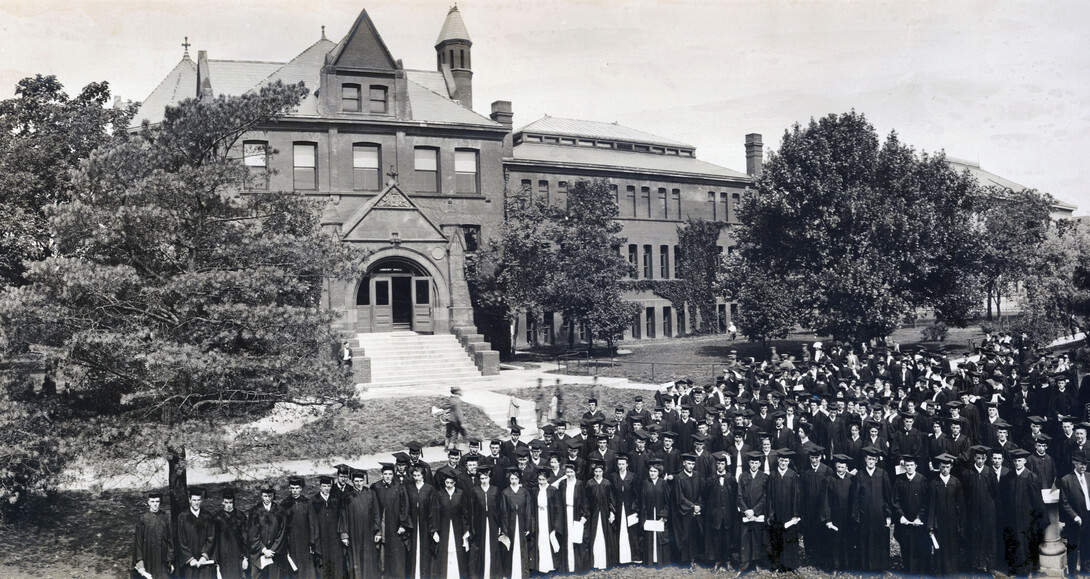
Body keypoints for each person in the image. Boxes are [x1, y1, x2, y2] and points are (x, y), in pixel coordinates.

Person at [338, 469, 381, 579]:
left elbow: (376, 512)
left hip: (368, 532)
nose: (359, 483)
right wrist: (344, 534)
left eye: (361, 480)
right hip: (353, 533)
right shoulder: (347, 495)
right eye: (356, 481)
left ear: (364, 481)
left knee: (368, 559)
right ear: (352, 481)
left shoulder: (371, 493)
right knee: (354, 558)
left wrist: (378, 532)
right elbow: (343, 515)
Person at [963, 445, 1000, 573]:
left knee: (989, 537)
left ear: (985, 459)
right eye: (978, 458)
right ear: (974, 458)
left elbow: (995, 493)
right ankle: (974, 564)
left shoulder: (990, 473)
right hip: (972, 510)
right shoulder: (968, 473)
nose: (980, 461)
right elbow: (965, 493)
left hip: (987, 510)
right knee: (973, 536)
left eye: (982, 458)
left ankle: (990, 565)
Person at [856, 446, 892, 572]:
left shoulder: (882, 474)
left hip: (878, 514)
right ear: (865, 459)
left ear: (876, 460)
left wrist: (888, 515)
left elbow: (887, 496)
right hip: (864, 514)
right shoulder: (860, 474)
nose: (871, 461)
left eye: (873, 459)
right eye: (869, 459)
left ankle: (879, 566)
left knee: (879, 539)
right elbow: (856, 497)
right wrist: (857, 515)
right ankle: (865, 566)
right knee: (864, 539)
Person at [892, 454, 929, 575]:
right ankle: (908, 569)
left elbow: (926, 502)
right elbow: (895, 500)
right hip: (905, 520)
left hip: (918, 521)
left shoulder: (922, 480)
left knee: (919, 544)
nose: (909, 467)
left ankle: (920, 570)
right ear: (904, 467)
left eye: (911, 465)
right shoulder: (899, 480)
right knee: (906, 544)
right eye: (907, 465)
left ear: (916, 466)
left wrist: (919, 517)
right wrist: (901, 516)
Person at [927, 453, 962, 576]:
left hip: (952, 521)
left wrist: (960, 522)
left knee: (953, 545)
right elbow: (931, 505)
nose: (945, 469)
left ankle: (952, 571)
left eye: (947, 467)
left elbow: (960, 505)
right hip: (939, 520)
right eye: (942, 467)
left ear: (951, 467)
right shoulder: (934, 483)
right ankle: (939, 571)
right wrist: (931, 523)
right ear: (939, 467)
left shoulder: (956, 482)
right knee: (939, 546)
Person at [766, 449, 802, 572]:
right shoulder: (772, 475)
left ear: (789, 461)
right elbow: (769, 496)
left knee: (790, 538)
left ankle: (790, 565)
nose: (783, 463)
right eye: (781, 460)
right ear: (778, 460)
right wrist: (770, 514)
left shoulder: (793, 475)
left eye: (786, 461)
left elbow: (796, 497)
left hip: (789, 512)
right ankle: (776, 564)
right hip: (776, 512)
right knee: (775, 538)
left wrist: (795, 514)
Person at [432, 466, 471, 579]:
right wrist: (435, 530)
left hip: (457, 528)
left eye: (451, 483)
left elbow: (465, 513)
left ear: (454, 482)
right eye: (446, 482)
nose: (448, 485)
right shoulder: (439, 494)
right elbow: (435, 513)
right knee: (444, 551)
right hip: (444, 528)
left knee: (458, 551)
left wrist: (466, 530)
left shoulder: (461, 494)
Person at [373, 462, 410, 578]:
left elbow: (405, 506)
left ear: (393, 475)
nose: (388, 476)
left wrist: (403, 524)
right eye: (385, 474)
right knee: (382, 554)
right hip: (382, 524)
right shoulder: (376, 487)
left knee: (396, 553)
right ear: (381, 475)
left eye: (390, 474)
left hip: (396, 525)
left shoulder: (399, 486)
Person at [821, 454, 857, 571]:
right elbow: (825, 500)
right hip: (835, 516)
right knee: (835, 541)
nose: (840, 469)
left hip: (848, 516)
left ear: (846, 467)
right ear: (835, 467)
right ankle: (835, 566)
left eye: (843, 467)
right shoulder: (829, 480)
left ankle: (847, 565)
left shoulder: (851, 479)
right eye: (838, 467)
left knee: (848, 540)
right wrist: (828, 519)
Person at [498, 468, 534, 579]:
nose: (514, 481)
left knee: (523, 547)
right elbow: (503, 511)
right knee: (511, 547)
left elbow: (528, 509)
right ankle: (510, 574)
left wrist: (528, 525)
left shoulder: (524, 492)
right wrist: (505, 529)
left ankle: (523, 573)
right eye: (512, 478)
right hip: (511, 524)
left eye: (516, 478)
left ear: (519, 479)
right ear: (509, 479)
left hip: (522, 523)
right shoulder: (505, 493)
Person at [468, 466, 503, 579]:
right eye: (482, 478)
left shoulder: (495, 490)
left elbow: (499, 509)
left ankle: (494, 574)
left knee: (493, 547)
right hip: (480, 523)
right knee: (481, 547)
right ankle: (481, 574)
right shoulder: (475, 490)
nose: (484, 480)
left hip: (493, 522)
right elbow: (472, 509)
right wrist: (472, 526)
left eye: (486, 478)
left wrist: (500, 525)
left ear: (489, 478)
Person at [737, 450, 769, 573]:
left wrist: (754, 511)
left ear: (760, 464)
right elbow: (739, 495)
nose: (754, 465)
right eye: (752, 463)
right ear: (748, 463)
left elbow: (765, 497)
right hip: (745, 514)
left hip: (757, 514)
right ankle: (744, 564)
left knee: (757, 538)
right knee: (745, 538)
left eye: (756, 463)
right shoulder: (743, 476)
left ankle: (757, 563)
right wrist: (746, 510)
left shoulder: (764, 477)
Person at [704, 452, 736, 571]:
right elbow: (706, 496)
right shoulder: (711, 479)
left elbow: (735, 495)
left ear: (725, 465)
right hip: (715, 514)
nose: (720, 466)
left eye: (722, 463)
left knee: (727, 538)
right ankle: (717, 560)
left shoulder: (731, 479)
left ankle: (727, 560)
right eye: (718, 464)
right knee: (716, 538)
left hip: (728, 514)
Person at [584, 460, 618, 569]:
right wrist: (586, 514)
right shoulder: (590, 484)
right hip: (593, 515)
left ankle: (604, 562)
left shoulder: (607, 483)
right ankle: (594, 563)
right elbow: (586, 501)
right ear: (593, 472)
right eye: (596, 471)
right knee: (593, 536)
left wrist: (612, 513)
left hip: (604, 514)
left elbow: (612, 499)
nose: (598, 473)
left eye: (600, 471)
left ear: (603, 472)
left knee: (605, 536)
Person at [1060, 450, 1090, 575]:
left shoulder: (1089, 476)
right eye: (1080, 463)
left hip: (1088, 516)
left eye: (1085, 464)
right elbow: (1064, 502)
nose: (1083, 466)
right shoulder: (1066, 480)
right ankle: (1072, 573)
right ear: (1074, 463)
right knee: (1073, 545)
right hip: (1075, 518)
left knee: (1087, 543)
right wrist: (1075, 516)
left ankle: (1085, 569)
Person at [132, 491, 174, 579]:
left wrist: (170, 561)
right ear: (148, 503)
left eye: (157, 501)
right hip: (148, 559)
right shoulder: (143, 519)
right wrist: (140, 563)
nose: (155, 504)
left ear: (160, 502)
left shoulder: (166, 518)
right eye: (152, 502)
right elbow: (138, 542)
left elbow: (171, 541)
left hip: (162, 561)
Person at [404, 464, 436, 579]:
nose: (416, 477)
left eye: (418, 475)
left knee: (425, 550)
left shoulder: (429, 489)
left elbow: (433, 509)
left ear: (423, 475)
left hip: (425, 524)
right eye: (414, 475)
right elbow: (405, 507)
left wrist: (433, 528)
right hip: (412, 524)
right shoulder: (409, 488)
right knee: (412, 550)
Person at [176, 488, 217, 579]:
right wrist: (190, 558)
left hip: (205, 562)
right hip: (190, 563)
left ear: (201, 500)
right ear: (190, 500)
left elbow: (211, 537)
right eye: (194, 500)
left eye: (198, 500)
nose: (196, 502)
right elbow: (181, 540)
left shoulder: (207, 516)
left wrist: (204, 556)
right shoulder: (182, 517)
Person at [281, 477, 317, 579]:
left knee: (307, 567)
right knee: (293, 567)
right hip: (291, 541)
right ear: (289, 489)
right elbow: (282, 527)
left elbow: (312, 523)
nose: (295, 491)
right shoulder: (284, 504)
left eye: (297, 488)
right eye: (292, 488)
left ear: (301, 488)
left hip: (305, 540)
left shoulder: (307, 502)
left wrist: (312, 542)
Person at [248, 487, 287, 579]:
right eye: (265, 496)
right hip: (259, 552)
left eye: (270, 496)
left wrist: (272, 550)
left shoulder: (279, 511)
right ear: (261, 496)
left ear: (273, 496)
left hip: (275, 553)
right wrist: (264, 550)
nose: (267, 499)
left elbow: (282, 532)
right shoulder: (255, 511)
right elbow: (253, 534)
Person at [556, 462, 587, 572]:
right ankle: (566, 566)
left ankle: (577, 566)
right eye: (567, 472)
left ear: (575, 472)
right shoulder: (563, 484)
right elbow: (559, 500)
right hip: (565, 513)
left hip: (576, 514)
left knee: (576, 539)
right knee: (566, 538)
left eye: (571, 472)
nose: (569, 474)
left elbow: (584, 500)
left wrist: (584, 515)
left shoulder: (579, 484)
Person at [609, 453, 641, 564]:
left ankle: (634, 557)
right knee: (619, 530)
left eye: (623, 464)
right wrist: (612, 509)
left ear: (627, 465)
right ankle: (619, 558)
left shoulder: (632, 476)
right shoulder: (613, 476)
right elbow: (611, 494)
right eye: (619, 464)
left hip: (629, 508)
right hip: (618, 507)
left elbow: (636, 494)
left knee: (632, 531)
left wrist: (635, 508)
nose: (621, 466)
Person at [310, 475, 343, 579]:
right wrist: (313, 540)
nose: (326, 488)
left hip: (334, 537)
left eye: (328, 486)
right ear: (320, 486)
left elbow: (340, 518)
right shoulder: (314, 500)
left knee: (335, 561)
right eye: (324, 486)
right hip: (320, 537)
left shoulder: (335, 499)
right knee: (322, 562)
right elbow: (312, 521)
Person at [640, 459, 671, 568]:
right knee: (649, 537)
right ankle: (650, 560)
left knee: (660, 537)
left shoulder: (663, 483)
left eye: (654, 471)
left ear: (659, 472)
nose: (652, 473)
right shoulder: (645, 483)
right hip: (648, 515)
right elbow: (642, 502)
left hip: (659, 515)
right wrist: (643, 518)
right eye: (651, 471)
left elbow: (667, 501)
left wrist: (664, 516)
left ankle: (660, 560)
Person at [531, 469, 561, 575]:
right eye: (539, 479)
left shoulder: (552, 490)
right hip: (539, 517)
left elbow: (558, 508)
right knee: (540, 541)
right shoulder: (534, 490)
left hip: (549, 519)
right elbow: (531, 507)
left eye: (543, 479)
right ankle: (539, 566)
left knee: (548, 540)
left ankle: (550, 566)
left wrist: (555, 524)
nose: (541, 482)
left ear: (548, 479)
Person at [213, 489, 248, 579]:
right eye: (226, 502)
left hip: (237, 555)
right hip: (223, 555)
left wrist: (245, 557)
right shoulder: (217, 518)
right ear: (223, 502)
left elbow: (245, 537)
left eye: (230, 502)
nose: (228, 505)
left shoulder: (240, 516)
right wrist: (216, 560)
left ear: (233, 502)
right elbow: (215, 540)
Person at [446, 387, 467, 451]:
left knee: (454, 433)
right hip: (456, 420)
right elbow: (459, 413)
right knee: (463, 434)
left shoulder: (451, 399)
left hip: (451, 419)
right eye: (460, 391)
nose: (461, 392)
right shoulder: (458, 401)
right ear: (456, 392)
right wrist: (462, 423)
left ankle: (451, 448)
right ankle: (465, 449)